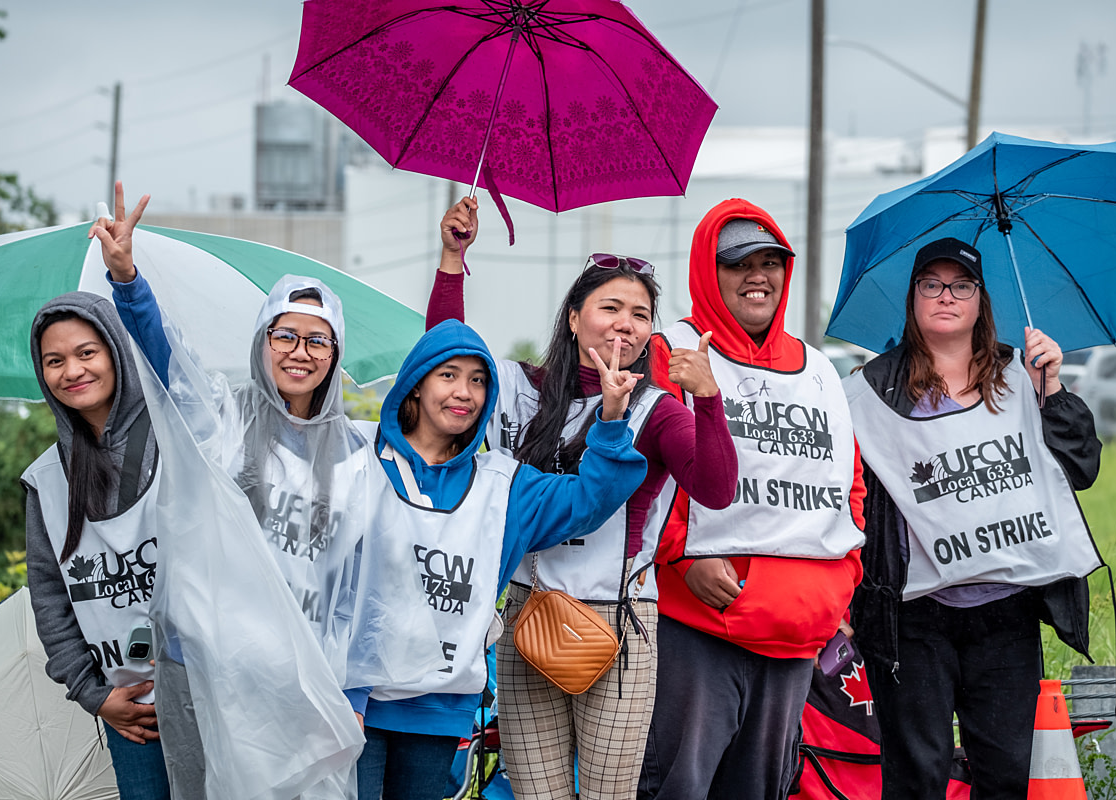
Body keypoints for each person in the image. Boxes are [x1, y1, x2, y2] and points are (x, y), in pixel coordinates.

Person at [94, 183, 420, 798]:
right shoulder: (222, 419)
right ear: (262, 341)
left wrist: (350, 693)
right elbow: (171, 363)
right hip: (207, 666)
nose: (300, 352)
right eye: (285, 335)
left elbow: (365, 585)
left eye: (317, 339)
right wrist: (128, 280)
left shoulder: (356, 455)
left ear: (335, 353)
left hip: (301, 679)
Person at [432, 198, 738, 800]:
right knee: (536, 794)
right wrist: (451, 259)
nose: (626, 323)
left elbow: (717, 489)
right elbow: (443, 354)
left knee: (607, 795)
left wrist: (707, 397)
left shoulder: (657, 409)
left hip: (622, 620)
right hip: (528, 611)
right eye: (610, 307)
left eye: (641, 314)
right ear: (574, 318)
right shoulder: (517, 389)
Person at [340, 316, 650, 800]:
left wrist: (610, 422)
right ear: (415, 385)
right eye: (447, 375)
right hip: (352, 699)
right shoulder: (356, 454)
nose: (464, 391)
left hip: (438, 707)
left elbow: (591, 500)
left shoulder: (504, 485)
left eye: (478, 380)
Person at [843, 237, 1102, 799]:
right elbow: (848, 498)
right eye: (931, 284)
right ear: (912, 298)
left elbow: (1081, 467)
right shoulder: (868, 391)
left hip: (1005, 614)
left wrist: (1051, 388)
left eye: (962, 285)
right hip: (911, 619)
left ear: (981, 300)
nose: (946, 296)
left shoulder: (1023, 374)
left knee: (1009, 771)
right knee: (917, 774)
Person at [637, 199, 865, 800]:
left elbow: (849, 486)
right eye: (739, 263)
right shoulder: (674, 353)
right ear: (708, 272)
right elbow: (645, 472)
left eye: (772, 261)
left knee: (762, 788)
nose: (759, 276)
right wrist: (680, 555)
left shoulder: (818, 369)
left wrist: (840, 581)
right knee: (681, 786)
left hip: (796, 628)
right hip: (700, 622)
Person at [23, 292, 170, 800]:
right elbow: (49, 596)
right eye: (55, 360)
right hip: (131, 708)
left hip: (209, 689)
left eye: (87, 352)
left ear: (116, 353)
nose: (72, 371)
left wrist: (128, 282)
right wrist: (95, 695)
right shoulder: (46, 479)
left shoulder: (175, 438)